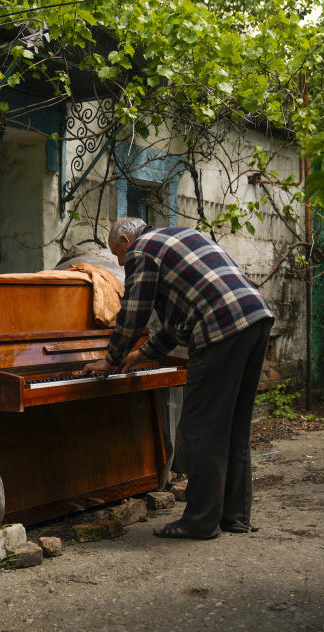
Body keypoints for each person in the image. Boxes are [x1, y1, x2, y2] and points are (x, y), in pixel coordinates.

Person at [83, 217, 274, 539]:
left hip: (221, 329)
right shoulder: (182, 237)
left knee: (200, 429)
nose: (121, 263)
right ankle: (234, 517)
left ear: (126, 242)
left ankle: (199, 522)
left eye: (118, 255)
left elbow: (133, 312)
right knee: (234, 427)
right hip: (256, 318)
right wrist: (143, 354)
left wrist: (111, 359)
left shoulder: (141, 251)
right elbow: (178, 324)